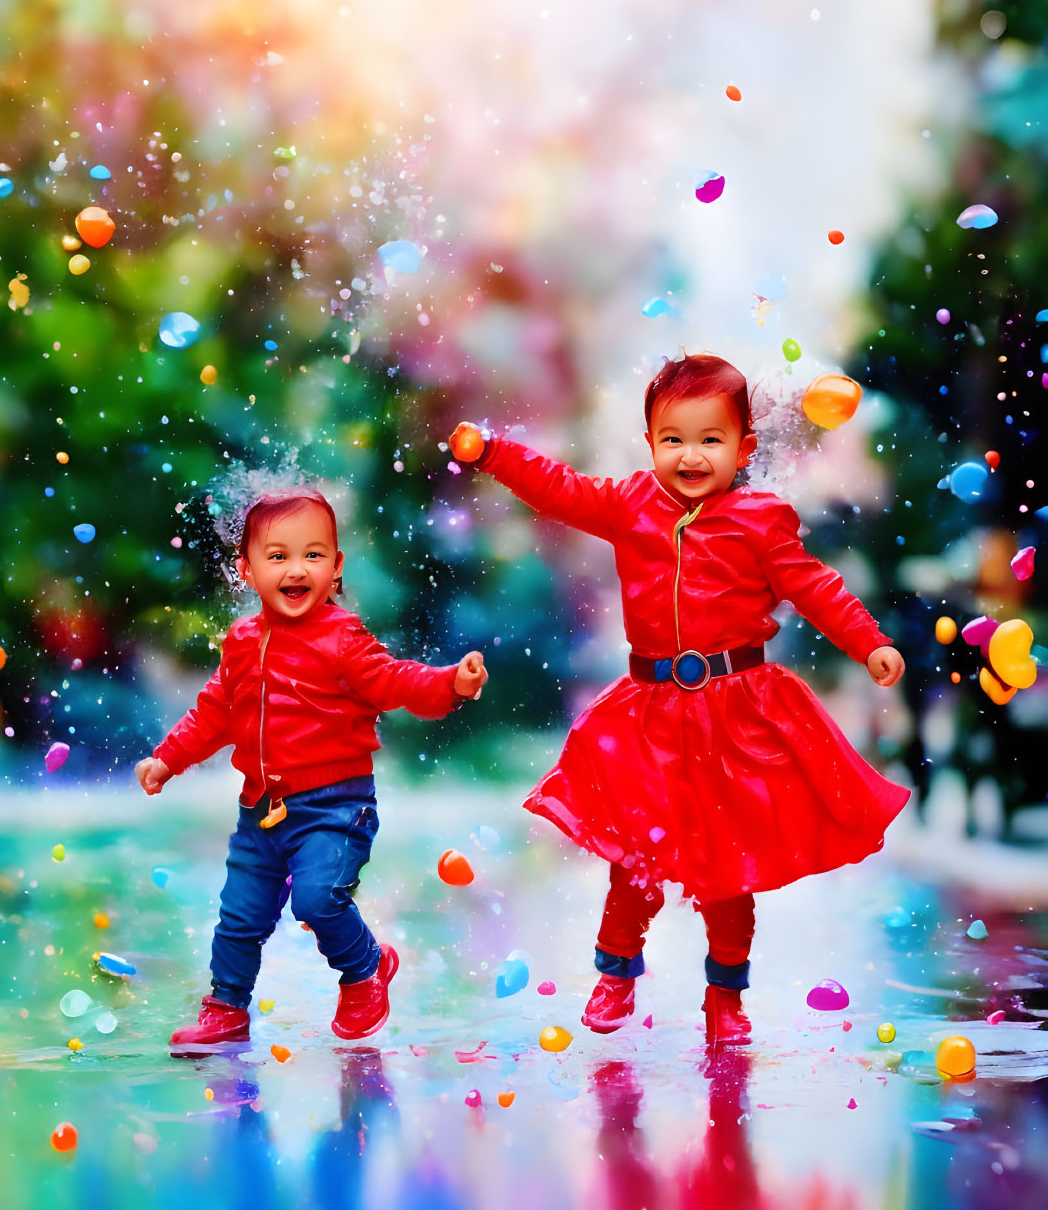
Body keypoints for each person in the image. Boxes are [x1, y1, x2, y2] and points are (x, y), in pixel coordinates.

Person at [450, 353, 908, 1047]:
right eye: (673, 440)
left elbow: (814, 587)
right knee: (633, 854)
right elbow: (560, 490)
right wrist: (492, 453)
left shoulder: (761, 520)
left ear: (743, 448)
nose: (689, 456)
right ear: (650, 443)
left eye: (709, 440)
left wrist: (866, 641)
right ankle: (616, 972)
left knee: (728, 870)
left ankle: (725, 998)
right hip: (651, 715)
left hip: (734, 713)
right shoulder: (630, 502)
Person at [136, 487, 488, 1052]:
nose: (297, 570)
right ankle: (226, 1008)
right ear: (246, 569)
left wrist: (448, 682)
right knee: (239, 916)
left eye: (313, 555)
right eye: (277, 557)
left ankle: (366, 971)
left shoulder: (342, 637)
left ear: (336, 566)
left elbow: (394, 679)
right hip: (262, 809)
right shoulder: (242, 641)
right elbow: (215, 711)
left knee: (318, 899)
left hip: (336, 804)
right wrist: (167, 758)